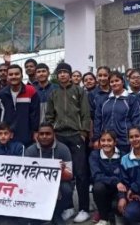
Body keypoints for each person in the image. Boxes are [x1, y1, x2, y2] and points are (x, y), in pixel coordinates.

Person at [45, 62, 91, 223]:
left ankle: (84, 208)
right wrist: (51, 132)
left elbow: (86, 113)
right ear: (57, 76)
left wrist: (84, 133)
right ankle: (68, 206)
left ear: (70, 75)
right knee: (64, 174)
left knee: (80, 173)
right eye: (60, 72)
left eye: (65, 72)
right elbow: (49, 115)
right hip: (59, 136)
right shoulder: (54, 93)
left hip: (76, 135)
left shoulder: (79, 91)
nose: (63, 75)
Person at [25, 122, 73, 225]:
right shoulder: (30, 151)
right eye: (41, 134)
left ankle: (56, 213)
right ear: (37, 135)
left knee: (67, 189)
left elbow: (69, 175)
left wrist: (62, 171)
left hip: (57, 184)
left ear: (54, 135)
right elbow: (25, 177)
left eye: (48, 133)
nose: (44, 136)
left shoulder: (63, 149)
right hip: (37, 185)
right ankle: (39, 213)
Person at [0, 64, 40, 146]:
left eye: (16, 74)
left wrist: (35, 131)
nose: (14, 76)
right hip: (6, 139)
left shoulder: (31, 91)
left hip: (26, 138)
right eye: (11, 74)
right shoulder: (0, 95)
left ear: (22, 76)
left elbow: (35, 114)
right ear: (7, 77)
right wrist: (0, 130)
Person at [93, 71, 140, 154]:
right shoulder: (104, 100)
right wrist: (97, 138)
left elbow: (136, 120)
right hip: (107, 142)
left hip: (125, 142)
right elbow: (98, 120)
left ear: (122, 82)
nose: (114, 83)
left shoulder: (131, 99)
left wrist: (135, 140)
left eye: (117, 80)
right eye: (112, 82)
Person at [89, 130, 124, 225]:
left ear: (115, 142)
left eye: (109, 140)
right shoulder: (94, 155)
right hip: (104, 189)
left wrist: (122, 196)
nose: (106, 143)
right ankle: (104, 218)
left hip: (119, 190)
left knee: (116, 207)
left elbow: (124, 177)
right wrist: (115, 181)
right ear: (99, 142)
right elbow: (96, 175)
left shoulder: (122, 155)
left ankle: (114, 213)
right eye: (103, 140)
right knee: (98, 187)